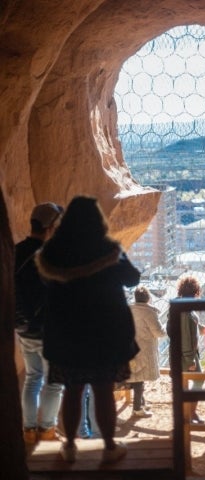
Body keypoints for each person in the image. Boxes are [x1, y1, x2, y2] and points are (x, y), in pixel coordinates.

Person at [36, 195, 140, 464]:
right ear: (97, 221)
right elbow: (132, 279)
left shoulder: (52, 252)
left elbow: (44, 286)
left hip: (66, 334)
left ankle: (69, 446)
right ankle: (108, 446)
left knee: (72, 390)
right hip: (105, 334)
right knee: (104, 390)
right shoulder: (109, 250)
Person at [14, 202, 65, 450]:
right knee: (54, 382)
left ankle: (28, 431)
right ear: (50, 227)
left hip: (23, 329)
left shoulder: (16, 251)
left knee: (32, 378)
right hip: (50, 331)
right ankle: (46, 430)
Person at [127, 285, 165, 418]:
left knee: (137, 377)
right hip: (144, 349)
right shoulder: (149, 312)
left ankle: (140, 403)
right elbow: (159, 332)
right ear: (148, 298)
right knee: (139, 380)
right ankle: (137, 408)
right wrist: (165, 327)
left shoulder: (128, 310)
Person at [176, 275, 205, 424]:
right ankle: (190, 413)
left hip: (183, 353)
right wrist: (190, 359)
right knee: (198, 380)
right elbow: (186, 335)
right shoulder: (186, 309)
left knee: (185, 384)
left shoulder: (183, 305)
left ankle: (187, 415)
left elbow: (190, 328)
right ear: (196, 291)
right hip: (187, 355)